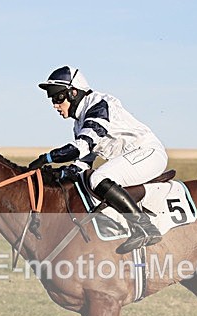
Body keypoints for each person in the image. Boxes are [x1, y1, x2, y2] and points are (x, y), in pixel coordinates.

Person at [28, 66, 167, 254]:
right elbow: (82, 165)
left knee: (97, 178)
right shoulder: (79, 124)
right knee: (86, 179)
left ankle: (145, 227)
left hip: (148, 154)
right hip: (132, 158)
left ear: (73, 92)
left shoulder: (98, 105)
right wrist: (55, 173)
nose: (55, 104)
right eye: (52, 98)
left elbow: (81, 147)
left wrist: (47, 158)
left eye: (57, 96)